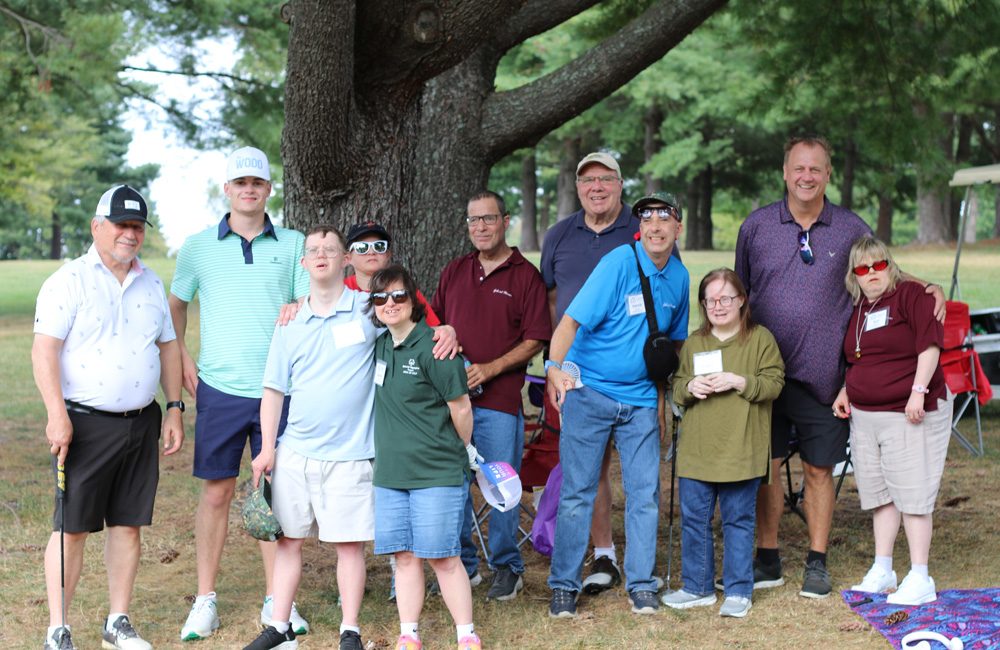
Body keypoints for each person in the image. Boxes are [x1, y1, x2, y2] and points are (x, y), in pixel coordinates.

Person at [735, 135, 944, 599]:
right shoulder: (756, 226)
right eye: (798, 168)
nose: (806, 177)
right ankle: (766, 557)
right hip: (765, 375)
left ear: (828, 174)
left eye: (816, 169)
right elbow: (739, 296)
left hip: (824, 378)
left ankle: (816, 560)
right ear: (785, 172)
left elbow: (886, 272)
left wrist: (930, 288)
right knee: (766, 468)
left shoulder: (849, 226)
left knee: (818, 470)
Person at [32, 185, 184, 650]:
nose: (130, 234)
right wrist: (56, 415)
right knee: (71, 526)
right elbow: (44, 351)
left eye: (137, 226)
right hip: (84, 422)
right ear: (98, 226)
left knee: (128, 523)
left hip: (142, 421)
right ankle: (58, 628)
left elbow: (169, 348)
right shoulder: (69, 280)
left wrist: (175, 407)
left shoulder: (153, 282)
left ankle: (117, 621)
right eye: (121, 224)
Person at [169, 146, 311, 640]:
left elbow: (301, 304)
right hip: (221, 386)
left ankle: (279, 600)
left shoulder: (293, 244)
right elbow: (177, 306)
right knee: (216, 493)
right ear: (227, 190)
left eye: (257, 182)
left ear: (269, 189)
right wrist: (185, 357)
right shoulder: (197, 247)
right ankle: (204, 599)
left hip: (279, 386)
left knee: (275, 495)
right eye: (240, 183)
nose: (249, 190)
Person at [540, 153, 679, 593]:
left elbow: (668, 349)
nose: (656, 228)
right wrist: (554, 368)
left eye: (665, 220)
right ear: (640, 229)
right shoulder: (620, 263)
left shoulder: (678, 276)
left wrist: (661, 404)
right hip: (592, 390)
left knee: (644, 496)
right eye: (649, 221)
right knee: (579, 491)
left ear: (678, 228)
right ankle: (564, 583)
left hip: (641, 401)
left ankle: (641, 583)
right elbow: (568, 322)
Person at [243, 225, 376, 650]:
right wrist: (266, 447)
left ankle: (349, 629)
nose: (321, 255)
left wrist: (443, 330)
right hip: (296, 451)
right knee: (288, 542)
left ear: (346, 260)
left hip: (351, 453)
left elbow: (416, 330)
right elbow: (273, 389)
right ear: (304, 263)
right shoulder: (290, 320)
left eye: (330, 249)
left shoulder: (370, 310)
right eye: (313, 250)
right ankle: (278, 625)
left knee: (349, 546)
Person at [432, 190, 551, 601]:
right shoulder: (454, 271)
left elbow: (536, 338)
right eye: (473, 220)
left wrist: (490, 368)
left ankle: (507, 566)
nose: (480, 227)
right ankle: (464, 567)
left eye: (488, 219)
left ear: (505, 221)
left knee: (501, 488)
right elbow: (436, 325)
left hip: (499, 402)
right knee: (454, 486)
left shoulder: (525, 275)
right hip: (454, 402)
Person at [368, 264, 483, 650]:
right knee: (403, 557)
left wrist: (463, 451)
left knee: (444, 557)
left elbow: (462, 408)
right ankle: (409, 633)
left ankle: (465, 634)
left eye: (399, 295)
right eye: (381, 297)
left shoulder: (437, 345)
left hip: (437, 471)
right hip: (390, 474)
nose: (390, 303)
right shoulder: (379, 343)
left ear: (414, 300)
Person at [833, 236, 952, 606]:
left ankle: (920, 576)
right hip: (866, 416)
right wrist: (846, 389)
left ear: (890, 264)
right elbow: (860, 359)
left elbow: (929, 346)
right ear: (855, 275)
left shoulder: (912, 296)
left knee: (913, 494)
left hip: (908, 410)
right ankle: (883, 568)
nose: (872, 274)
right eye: (863, 268)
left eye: (879, 265)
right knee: (879, 493)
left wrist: (918, 390)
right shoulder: (860, 308)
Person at [662, 269, 784, 618]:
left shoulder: (760, 340)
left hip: (741, 448)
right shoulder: (695, 342)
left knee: (738, 521)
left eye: (725, 298)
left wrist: (740, 381)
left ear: (741, 300)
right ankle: (697, 587)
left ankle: (738, 590)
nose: (717, 306)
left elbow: (775, 382)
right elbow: (679, 386)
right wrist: (689, 389)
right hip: (698, 450)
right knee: (694, 520)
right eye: (710, 300)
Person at [345, 220, 441, 326]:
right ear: (348, 257)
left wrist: (445, 331)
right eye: (362, 247)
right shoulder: (340, 291)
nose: (371, 252)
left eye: (379, 246)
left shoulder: (404, 290)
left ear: (388, 254)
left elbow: (432, 329)